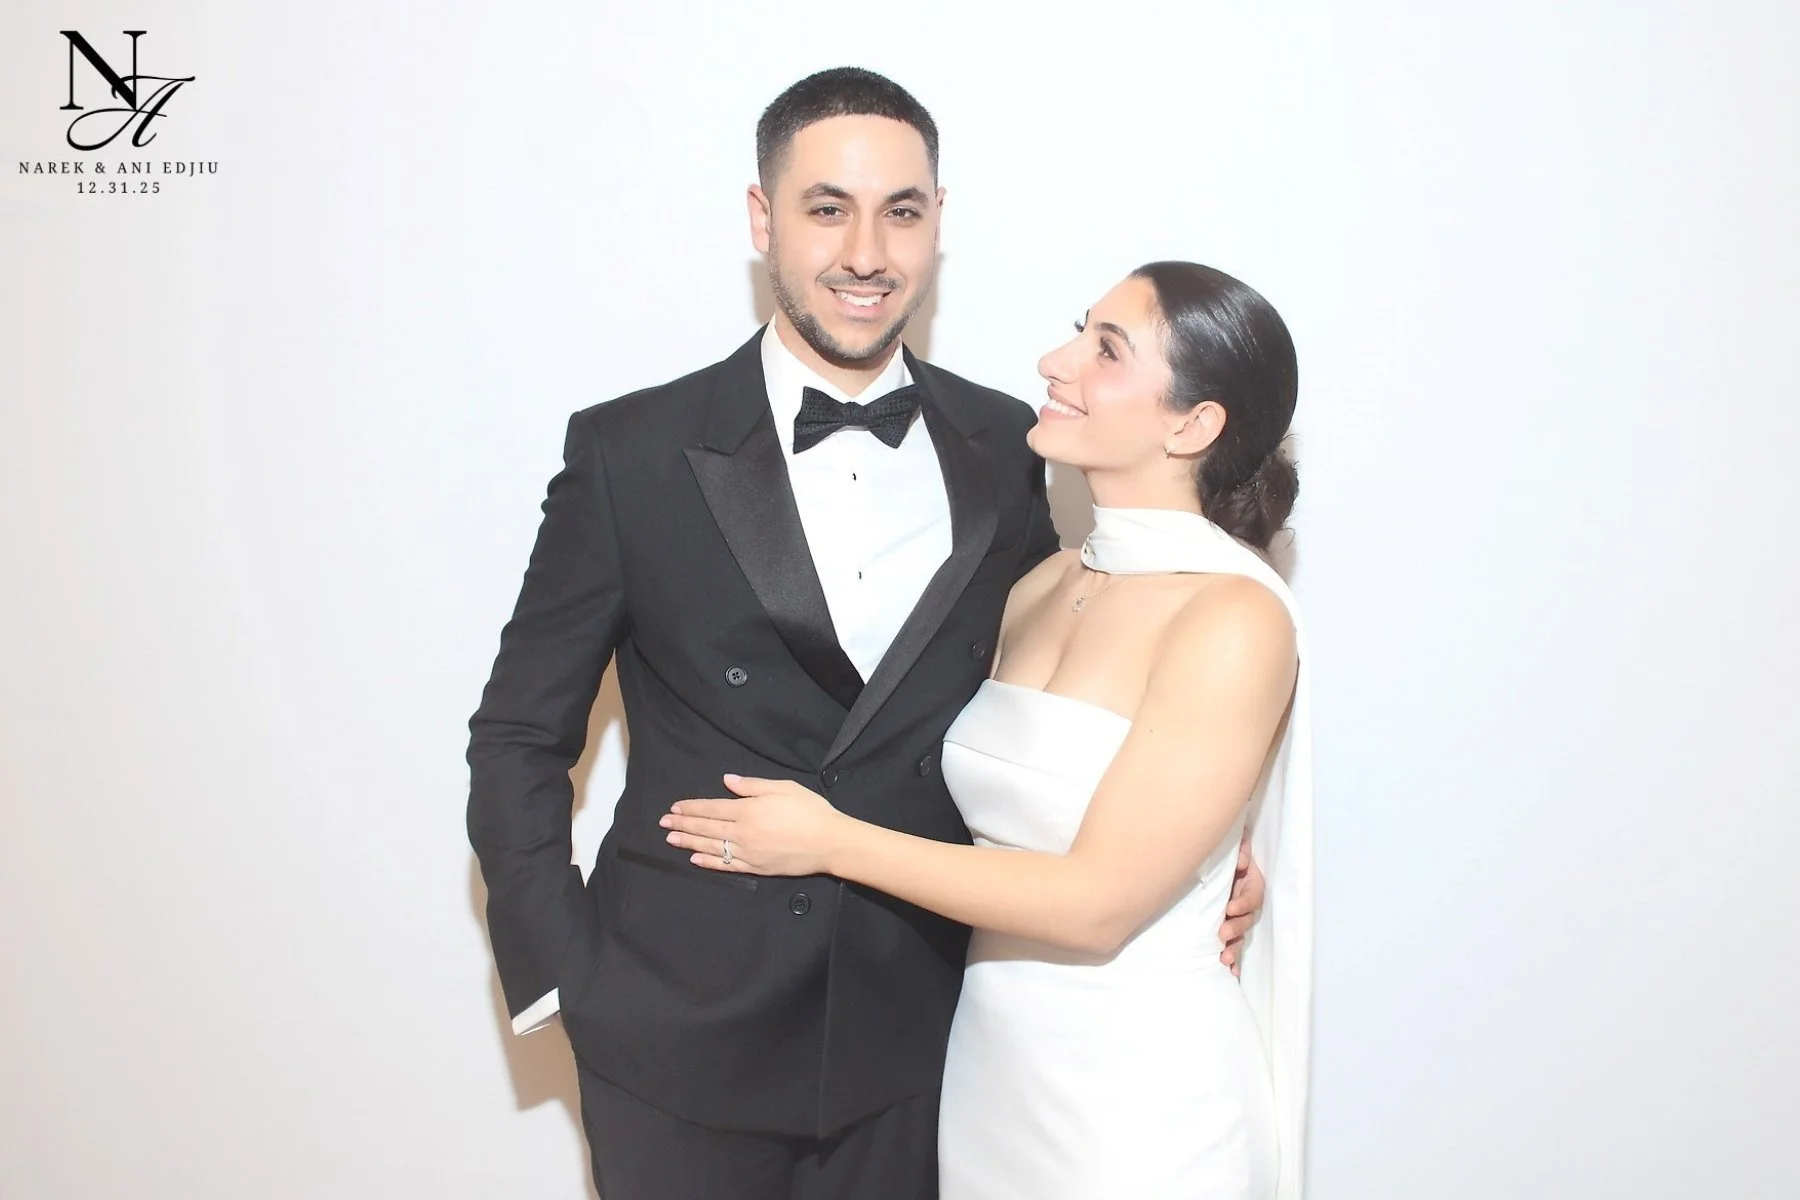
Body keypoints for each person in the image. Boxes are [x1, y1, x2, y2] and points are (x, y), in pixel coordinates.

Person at [466, 68, 1266, 1200]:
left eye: (901, 211)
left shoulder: (1014, 447)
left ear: (939, 221)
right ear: (763, 221)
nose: (866, 252)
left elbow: (1079, 690)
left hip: (923, 1037)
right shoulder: (629, 452)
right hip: (671, 1027)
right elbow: (517, 735)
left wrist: (1195, 851)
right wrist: (566, 978)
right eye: (826, 207)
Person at [662, 261, 1312, 1199]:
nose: (1056, 361)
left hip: (1143, 1104)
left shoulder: (1235, 619)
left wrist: (831, 842)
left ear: (1193, 424)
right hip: (989, 1080)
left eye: (1107, 350)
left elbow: (1095, 905)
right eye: (1077, 331)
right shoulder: (1041, 584)